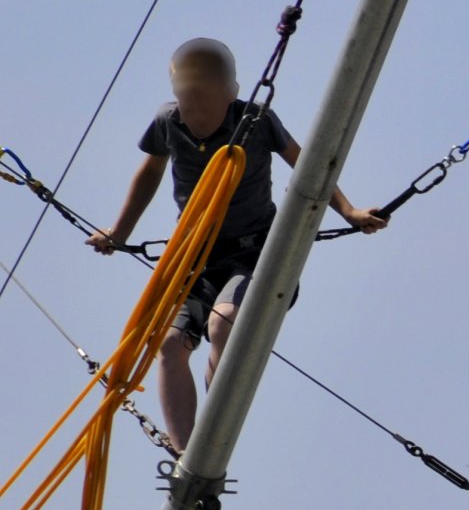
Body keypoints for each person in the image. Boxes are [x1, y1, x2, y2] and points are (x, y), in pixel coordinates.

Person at [87, 38, 386, 451]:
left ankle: (213, 438)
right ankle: (183, 452)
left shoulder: (255, 120)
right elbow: (150, 173)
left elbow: (307, 165)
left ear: (229, 93)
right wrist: (118, 232)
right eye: (190, 105)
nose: (197, 116)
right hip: (194, 256)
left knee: (222, 322)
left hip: (254, 254)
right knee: (169, 343)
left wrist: (349, 211)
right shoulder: (167, 122)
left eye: (207, 104)